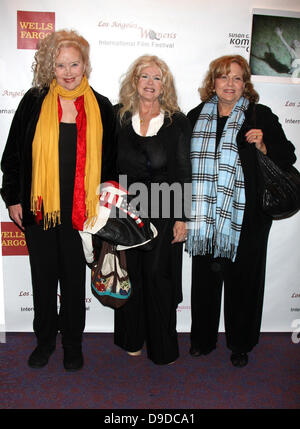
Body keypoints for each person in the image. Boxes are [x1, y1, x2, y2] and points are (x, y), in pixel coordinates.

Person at [1, 30, 115, 371]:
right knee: (44, 279)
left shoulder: (102, 106)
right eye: (60, 64)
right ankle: (45, 341)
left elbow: (111, 165)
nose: (68, 72)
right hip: (40, 210)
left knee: (73, 278)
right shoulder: (34, 101)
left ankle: (73, 344)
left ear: (85, 65)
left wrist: (104, 211)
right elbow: (13, 158)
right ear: (51, 66)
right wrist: (13, 199)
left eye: (74, 64)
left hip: (81, 213)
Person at [186, 55, 296, 367]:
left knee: (244, 283)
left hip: (246, 218)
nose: (230, 84)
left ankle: (241, 343)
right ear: (213, 82)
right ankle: (202, 341)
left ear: (245, 83)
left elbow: (287, 156)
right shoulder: (196, 116)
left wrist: (264, 146)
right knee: (205, 282)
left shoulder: (260, 115)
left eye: (237, 78)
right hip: (205, 218)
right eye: (224, 77)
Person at [113, 55, 191, 365]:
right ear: (134, 81)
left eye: (157, 78)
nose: (150, 83)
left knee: (160, 278)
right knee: (131, 275)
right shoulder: (120, 118)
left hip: (165, 205)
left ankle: (162, 348)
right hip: (127, 209)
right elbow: (109, 164)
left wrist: (183, 216)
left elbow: (185, 168)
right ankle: (132, 338)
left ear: (164, 85)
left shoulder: (177, 121)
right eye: (144, 76)